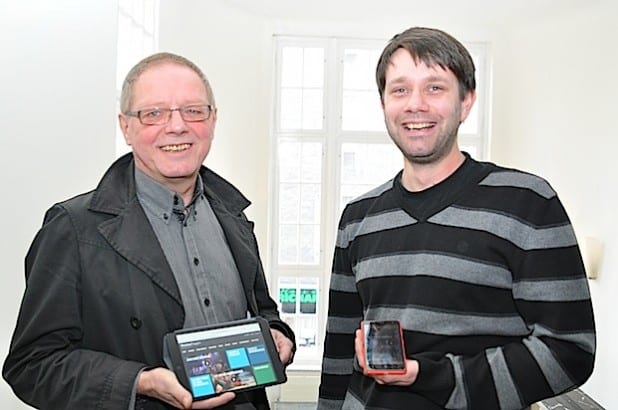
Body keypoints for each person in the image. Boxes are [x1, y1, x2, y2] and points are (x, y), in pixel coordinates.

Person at [317, 27, 596, 410]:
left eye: (435, 87)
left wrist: (434, 378)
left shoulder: (528, 202)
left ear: (466, 102)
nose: (415, 104)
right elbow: (339, 348)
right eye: (399, 89)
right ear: (383, 104)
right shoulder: (359, 218)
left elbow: (569, 350)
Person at [3, 52, 295, 409]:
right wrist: (140, 382)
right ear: (126, 127)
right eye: (154, 113)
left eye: (193, 110)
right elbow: (31, 365)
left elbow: (262, 311)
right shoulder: (74, 229)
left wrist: (277, 334)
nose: (177, 126)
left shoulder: (233, 216)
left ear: (213, 120)